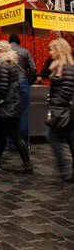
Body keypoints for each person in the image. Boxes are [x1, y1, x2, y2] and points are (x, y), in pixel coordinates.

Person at [0, 41, 33, 173]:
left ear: (2, 52)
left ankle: (27, 165)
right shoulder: (10, 63)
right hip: (12, 102)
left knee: (14, 135)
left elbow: (2, 87)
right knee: (3, 133)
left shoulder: (2, 65)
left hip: (7, 104)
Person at [45, 38, 74, 182]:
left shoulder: (66, 67)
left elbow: (67, 88)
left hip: (63, 109)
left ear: (59, 50)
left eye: (52, 49)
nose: (50, 52)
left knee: (52, 136)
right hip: (64, 109)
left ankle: (62, 166)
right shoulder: (59, 66)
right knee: (70, 138)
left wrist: (56, 102)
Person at [8, 34, 37, 148]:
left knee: (11, 112)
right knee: (23, 113)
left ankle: (11, 142)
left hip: (11, 82)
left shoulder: (6, 52)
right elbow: (33, 68)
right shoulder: (25, 51)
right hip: (23, 80)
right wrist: (29, 80)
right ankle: (25, 142)